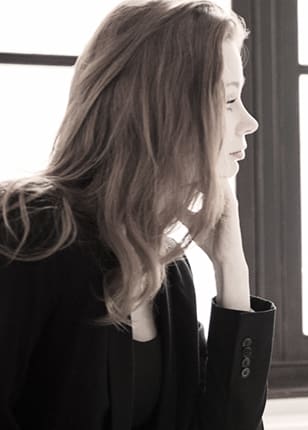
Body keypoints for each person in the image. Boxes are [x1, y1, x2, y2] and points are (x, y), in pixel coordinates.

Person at [0, 1, 274, 429]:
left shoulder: (170, 273)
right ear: (164, 109)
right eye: (230, 100)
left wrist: (231, 270)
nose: (250, 122)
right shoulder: (28, 228)